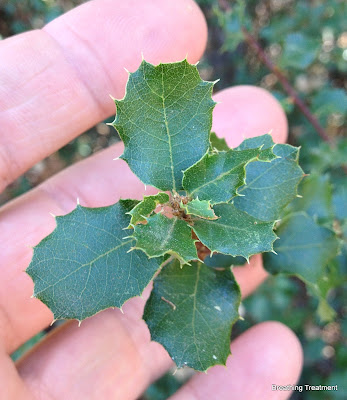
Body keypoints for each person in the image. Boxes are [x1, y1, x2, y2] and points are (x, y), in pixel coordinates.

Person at [0, 0, 303, 398]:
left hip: (203, 218)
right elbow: (72, 274)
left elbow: (243, 208)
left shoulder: (216, 208)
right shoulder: (156, 220)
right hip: (167, 224)